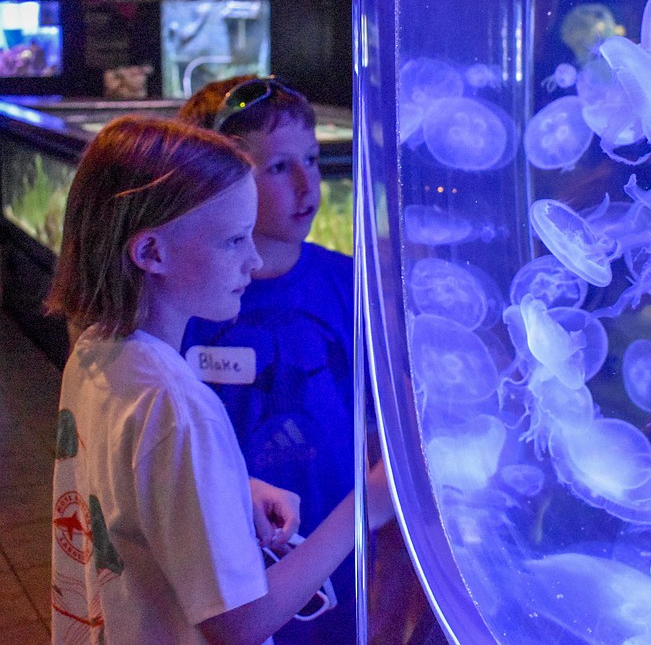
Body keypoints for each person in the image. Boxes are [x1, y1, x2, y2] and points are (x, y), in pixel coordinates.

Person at [45, 115, 392, 644]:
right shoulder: (177, 406)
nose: (252, 262)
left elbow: (125, 498)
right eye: (233, 241)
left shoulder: (96, 352)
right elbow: (239, 623)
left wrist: (229, 488)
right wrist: (364, 507)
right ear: (150, 252)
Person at [178, 77, 361, 643]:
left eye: (312, 158)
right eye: (280, 168)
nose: (311, 184)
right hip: (216, 565)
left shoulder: (350, 284)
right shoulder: (183, 301)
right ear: (215, 182)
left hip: (340, 553)